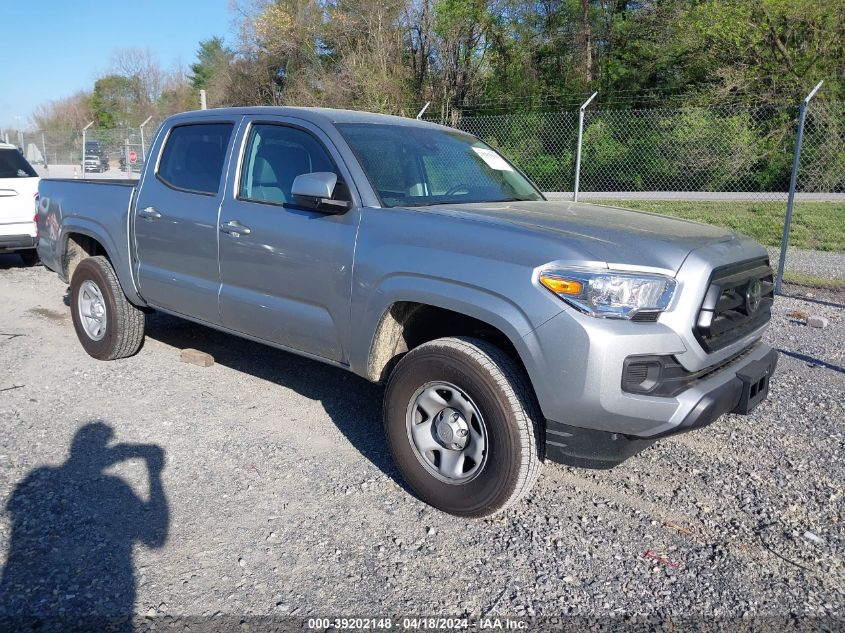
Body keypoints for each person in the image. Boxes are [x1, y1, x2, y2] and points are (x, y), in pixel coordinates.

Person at [0, 422, 168, 631]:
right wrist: (154, 474)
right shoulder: (115, 485)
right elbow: (155, 538)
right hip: (110, 595)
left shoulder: (39, 476)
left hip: (18, 591)